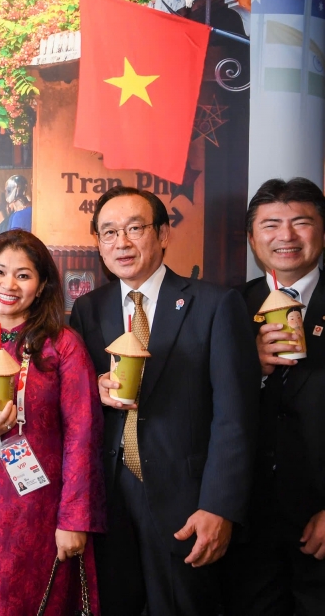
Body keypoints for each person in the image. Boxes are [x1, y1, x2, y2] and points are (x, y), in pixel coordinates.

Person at [69, 186, 259, 615]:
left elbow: (235, 417)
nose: (122, 242)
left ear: (163, 234)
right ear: (98, 242)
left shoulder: (215, 304)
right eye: (109, 232)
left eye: (135, 228)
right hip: (108, 500)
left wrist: (219, 506)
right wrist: (95, 390)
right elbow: (79, 404)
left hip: (185, 503)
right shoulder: (88, 309)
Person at [0, 230, 105, 615]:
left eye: (23, 275)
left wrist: (74, 520)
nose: (8, 285)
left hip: (43, 510)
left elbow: (83, 435)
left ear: (41, 287)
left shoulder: (63, 346)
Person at [220, 178, 325, 616]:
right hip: (248, 523)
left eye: (301, 222)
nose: (286, 235)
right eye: (271, 225)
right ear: (252, 239)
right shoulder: (228, 307)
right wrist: (252, 371)